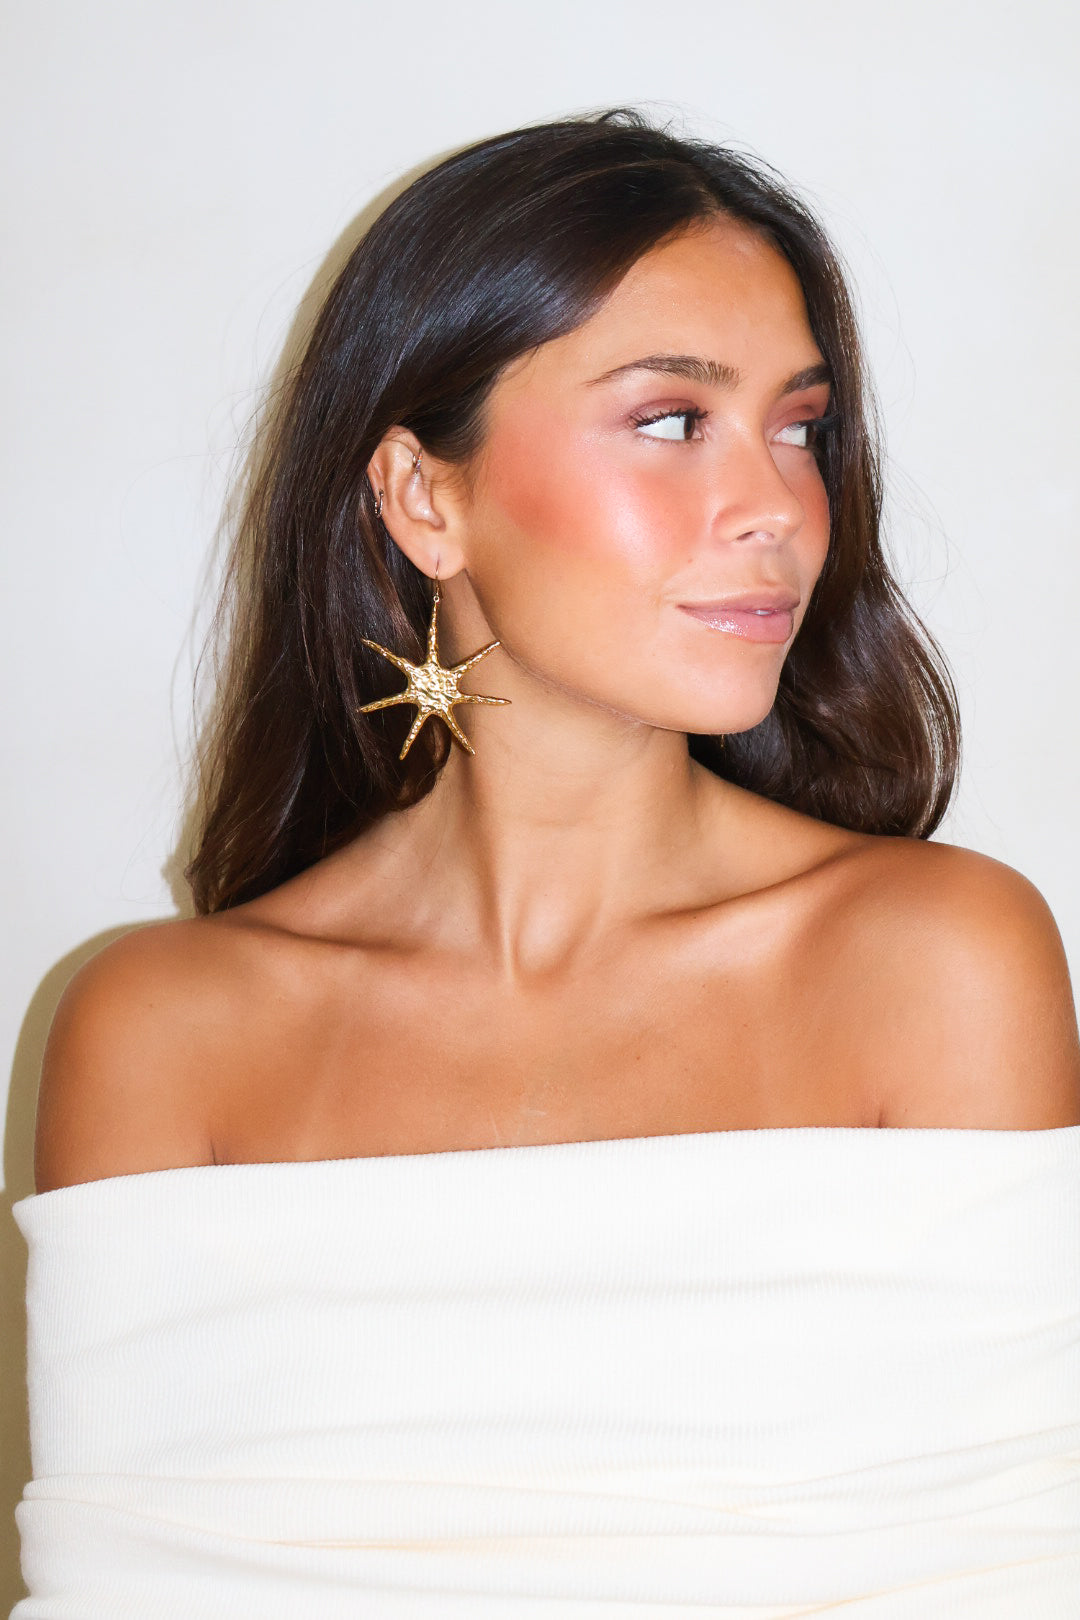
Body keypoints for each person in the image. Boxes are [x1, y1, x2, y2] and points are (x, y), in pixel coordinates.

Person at [12, 107, 1080, 1617]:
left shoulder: (935, 964)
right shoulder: (160, 1030)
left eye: (798, 428)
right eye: (671, 420)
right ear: (423, 497)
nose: (777, 509)